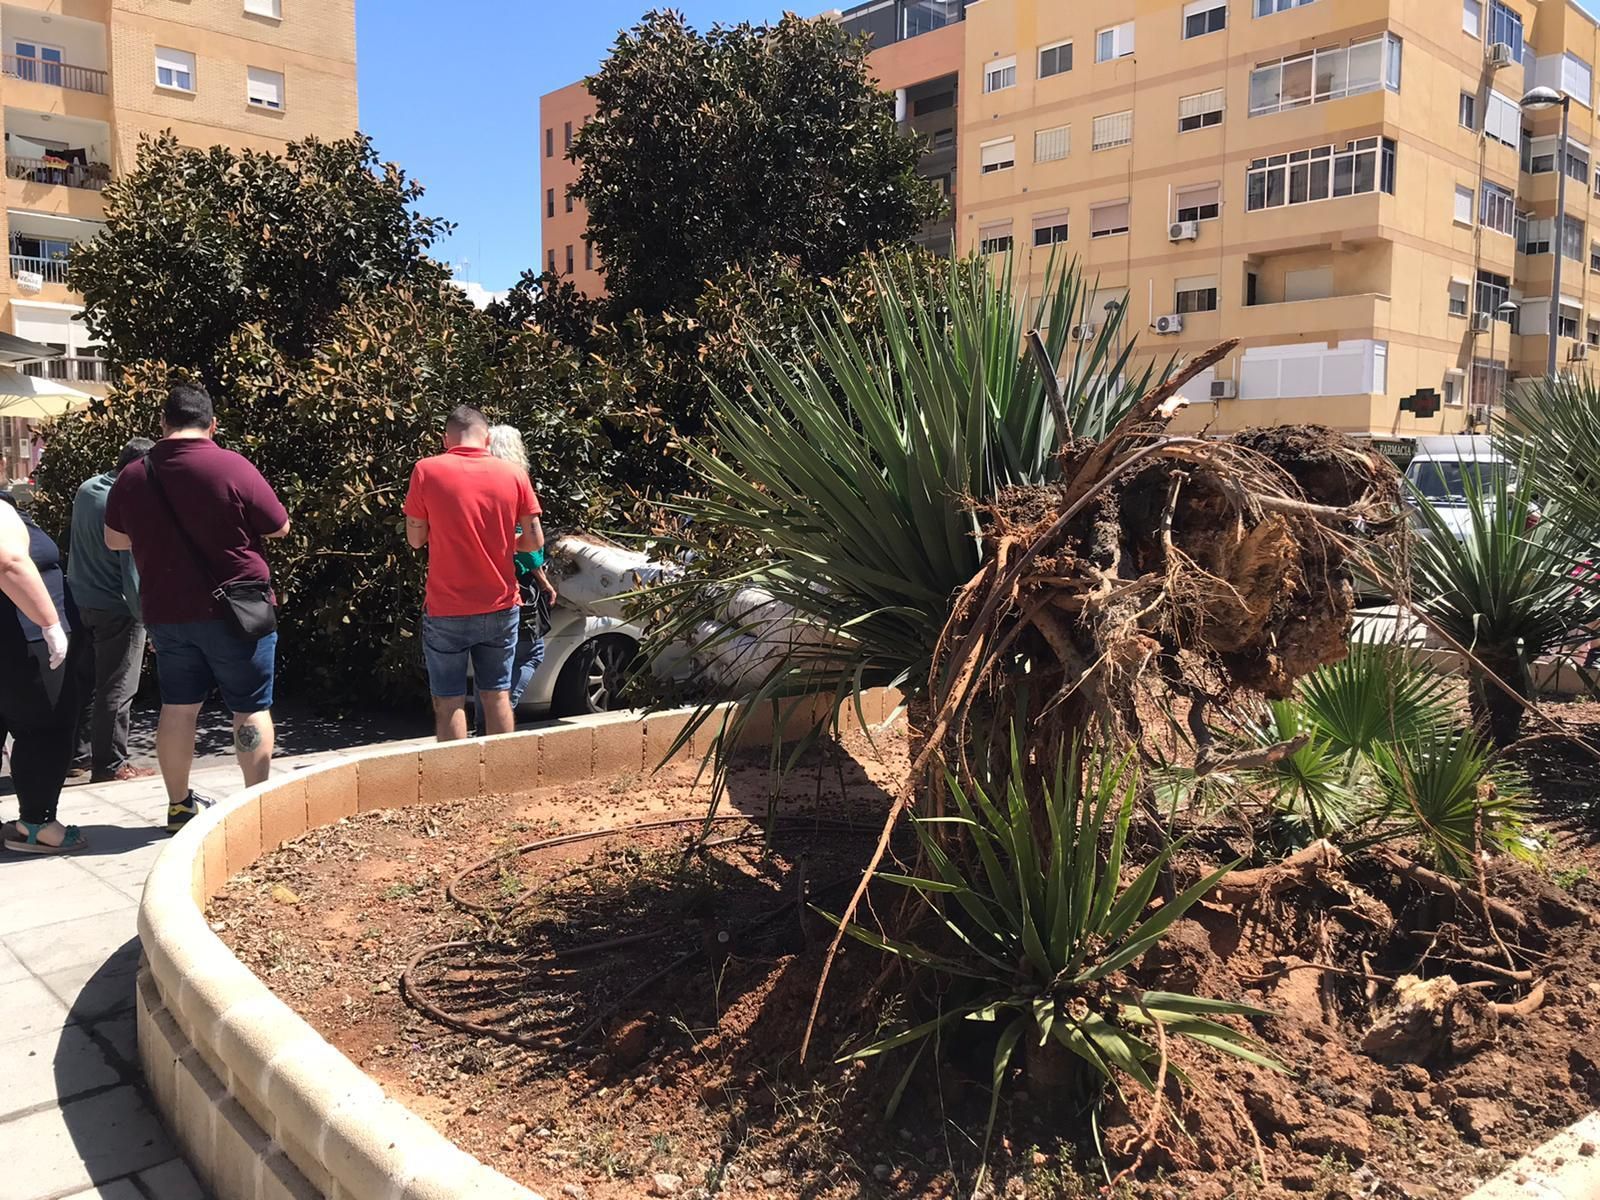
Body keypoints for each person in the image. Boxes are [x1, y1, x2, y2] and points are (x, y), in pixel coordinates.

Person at [105, 385, 291, 831]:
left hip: (167, 612)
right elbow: (280, 526)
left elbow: (114, 540)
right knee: (249, 707)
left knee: (178, 707)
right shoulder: (232, 465)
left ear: (163, 424)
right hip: (237, 611)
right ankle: (257, 808)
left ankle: (178, 807)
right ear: (212, 424)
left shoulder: (135, 475)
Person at [404, 406, 540, 742]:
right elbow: (534, 540)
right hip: (499, 603)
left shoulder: (426, 471)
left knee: (448, 701)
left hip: (447, 606)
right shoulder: (513, 474)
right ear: (488, 437)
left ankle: (455, 785)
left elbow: (416, 539)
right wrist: (502, 540)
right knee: (497, 696)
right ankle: (500, 780)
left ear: (445, 439)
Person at [0, 491, 87, 852]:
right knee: (47, 728)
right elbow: (9, 562)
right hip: (25, 640)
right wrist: (50, 623)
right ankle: (37, 824)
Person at [68, 438, 157, 783]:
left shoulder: (88, 489)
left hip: (80, 600)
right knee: (117, 689)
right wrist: (148, 621)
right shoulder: (126, 504)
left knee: (86, 684)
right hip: (116, 609)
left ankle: (78, 757)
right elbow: (131, 574)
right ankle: (112, 764)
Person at [486, 425, 558, 713]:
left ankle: (486, 720)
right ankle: (500, 714)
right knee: (531, 653)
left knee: (493, 660)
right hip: (518, 584)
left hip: (486, 577)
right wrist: (544, 581)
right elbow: (526, 546)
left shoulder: (480, 483)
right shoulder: (516, 483)